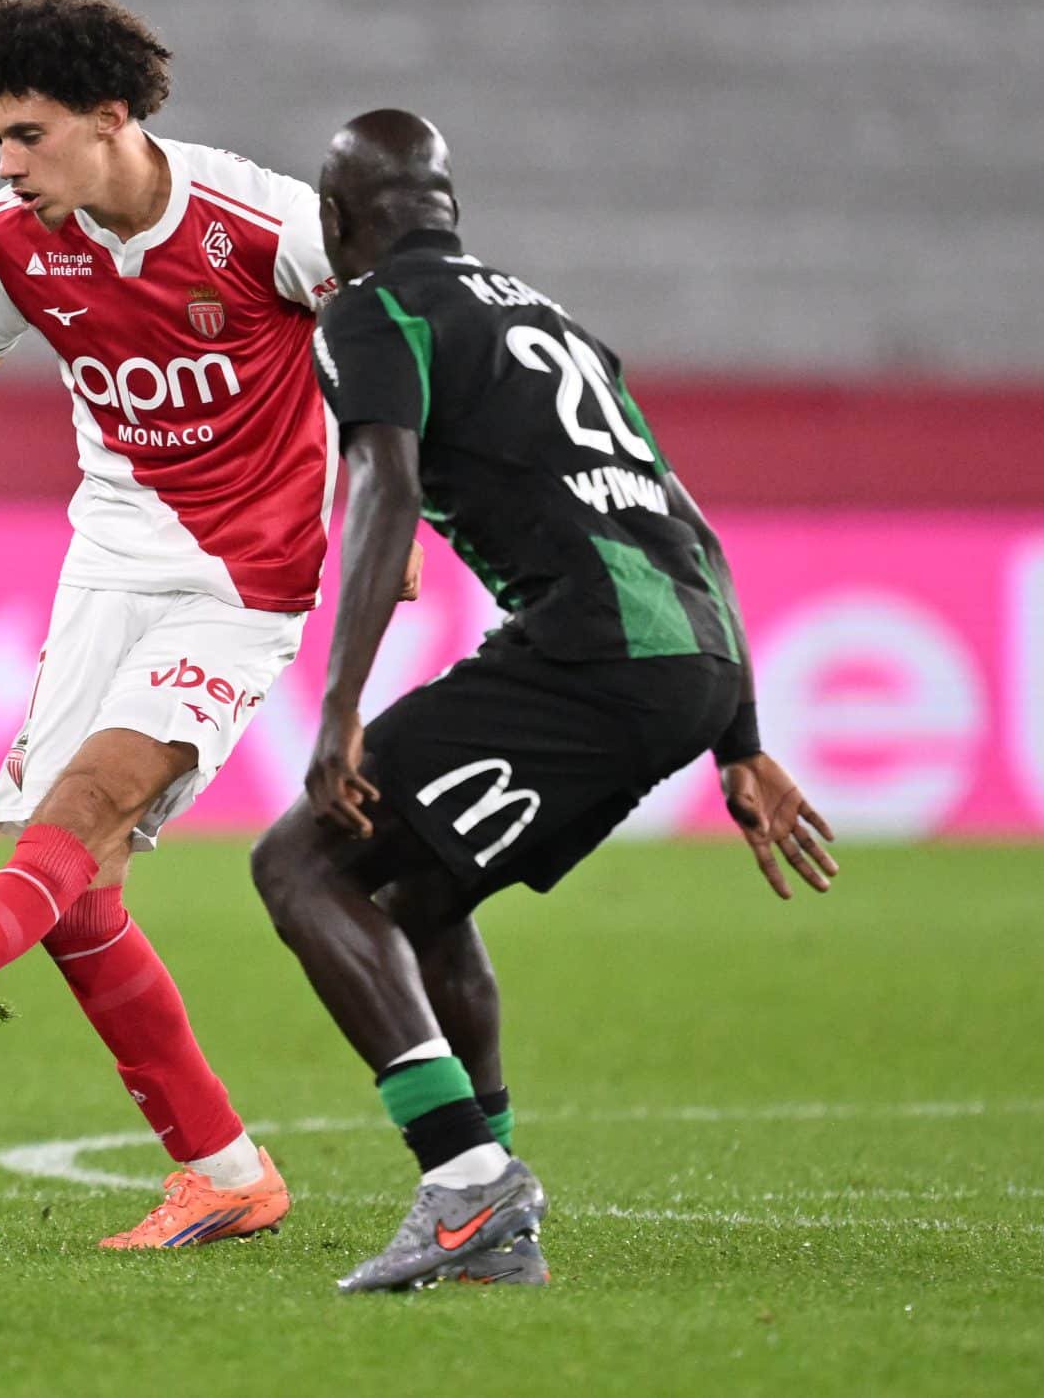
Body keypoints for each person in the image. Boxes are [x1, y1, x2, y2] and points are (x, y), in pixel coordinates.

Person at [0, 0, 393, 1249]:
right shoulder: (12, 237)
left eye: (29, 135)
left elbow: (391, 346)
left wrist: (405, 515)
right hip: (108, 563)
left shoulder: (266, 221)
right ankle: (224, 1171)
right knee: (70, 881)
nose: (7, 165)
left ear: (111, 117)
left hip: (243, 581)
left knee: (81, 815)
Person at [250, 110, 837, 1293]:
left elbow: (383, 490)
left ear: (337, 219)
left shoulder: (375, 312)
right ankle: (493, 1217)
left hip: (592, 654)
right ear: (448, 210)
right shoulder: (558, 324)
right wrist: (739, 737)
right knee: (420, 887)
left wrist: (340, 705)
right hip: (687, 659)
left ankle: (466, 1182)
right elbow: (691, 525)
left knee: (302, 863)